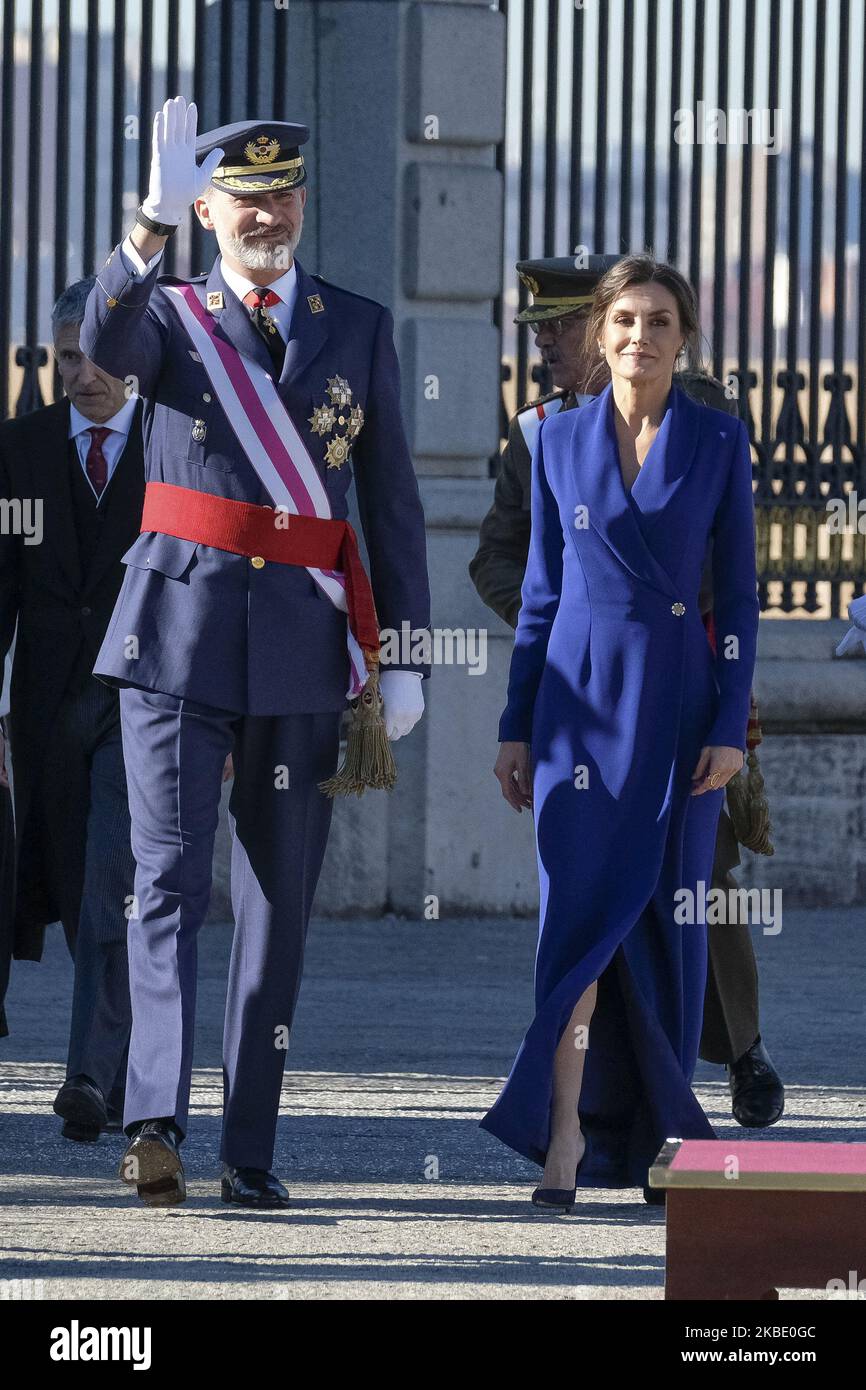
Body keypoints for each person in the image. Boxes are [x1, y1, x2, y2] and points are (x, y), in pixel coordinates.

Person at [80, 96, 430, 1208]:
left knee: (279, 899)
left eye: (279, 195)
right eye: (240, 197)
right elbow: (99, 340)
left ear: (301, 203)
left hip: (301, 646)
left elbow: (391, 503)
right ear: (210, 209)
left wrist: (406, 653)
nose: (262, 214)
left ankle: (249, 1143)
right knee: (167, 882)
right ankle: (153, 1120)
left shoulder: (357, 325)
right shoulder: (169, 317)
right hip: (175, 632)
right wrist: (144, 224)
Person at [471, 255, 783, 1133]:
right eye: (619, 323)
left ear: (683, 338)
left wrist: (728, 713)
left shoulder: (717, 431)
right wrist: (529, 704)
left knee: (689, 907)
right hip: (580, 704)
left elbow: (741, 587)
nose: (549, 346)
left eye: (657, 323)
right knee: (580, 919)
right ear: (601, 334)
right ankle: (565, 1130)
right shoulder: (543, 437)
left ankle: (717, 1074)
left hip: (684, 692)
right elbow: (525, 580)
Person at [0, 280, 147, 1139]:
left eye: (97, 354)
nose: (82, 372)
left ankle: (90, 1076)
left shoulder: (172, 448)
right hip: (47, 706)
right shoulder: (19, 450)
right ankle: (118, 1069)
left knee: (108, 882)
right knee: (57, 878)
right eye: (67, 355)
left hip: (138, 702)